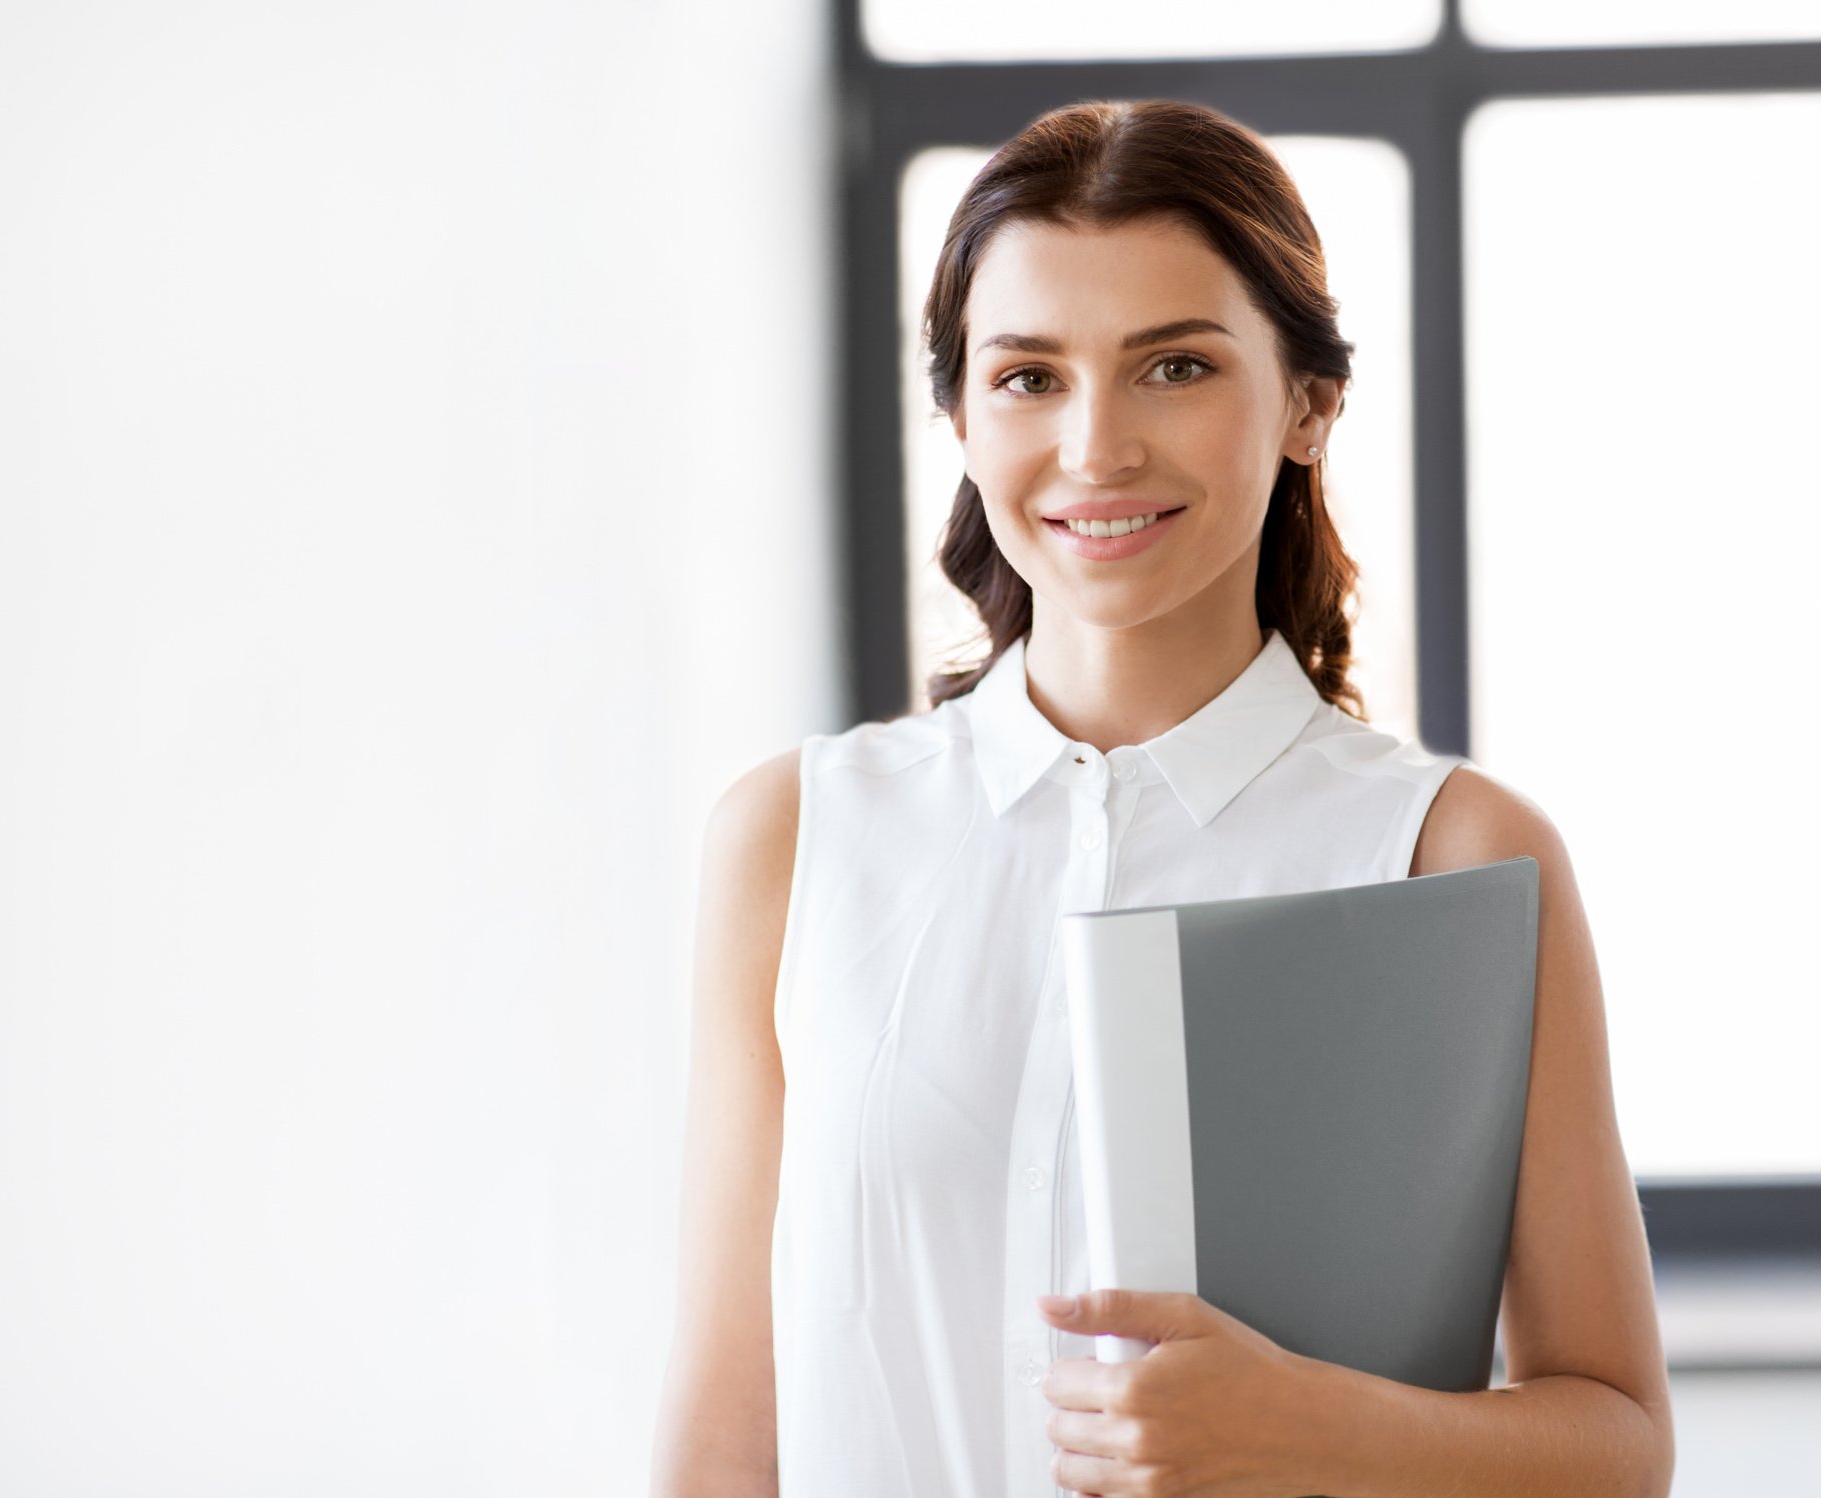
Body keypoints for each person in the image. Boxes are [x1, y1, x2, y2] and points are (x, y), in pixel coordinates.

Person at [652, 97, 1673, 1498]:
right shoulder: (796, 836)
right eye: (1026, 376)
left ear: (1309, 402)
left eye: (1174, 366)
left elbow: (1616, 1444)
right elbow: (723, 1437)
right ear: (955, 408)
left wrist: (1318, 1428)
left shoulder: (1454, 854)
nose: (1095, 449)